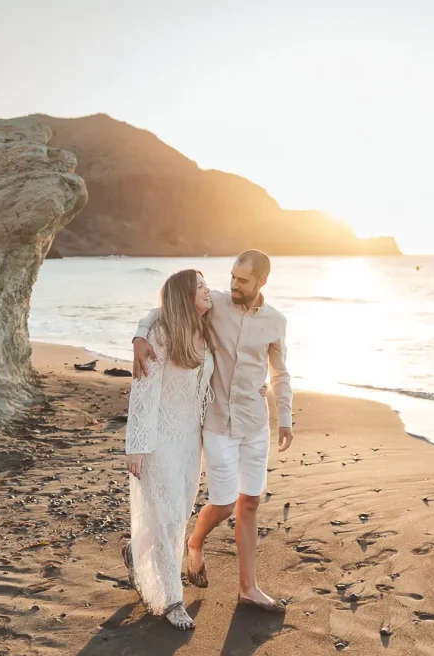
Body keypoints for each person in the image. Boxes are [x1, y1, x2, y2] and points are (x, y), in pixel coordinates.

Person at [132, 249, 293, 612]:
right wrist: (140, 335)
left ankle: (248, 588)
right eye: (233, 277)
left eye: (243, 281)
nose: (233, 285)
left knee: (250, 502)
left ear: (262, 282)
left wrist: (285, 416)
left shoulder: (276, 321)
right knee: (223, 503)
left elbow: (280, 372)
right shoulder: (215, 303)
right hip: (218, 424)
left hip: (255, 425)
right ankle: (195, 542)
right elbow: (165, 309)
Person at [124, 268, 216, 630]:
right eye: (201, 287)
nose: (209, 290)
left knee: (178, 510)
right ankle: (171, 599)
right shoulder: (161, 335)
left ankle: (136, 552)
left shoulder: (205, 328)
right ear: (183, 297)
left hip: (190, 439)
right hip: (159, 439)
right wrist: (139, 446)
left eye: (207, 284)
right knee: (168, 519)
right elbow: (144, 393)